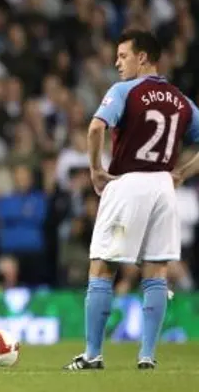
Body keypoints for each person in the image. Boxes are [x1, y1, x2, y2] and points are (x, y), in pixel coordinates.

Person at [63, 30, 199, 371]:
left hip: (128, 183)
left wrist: (95, 169)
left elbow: (96, 128)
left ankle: (93, 354)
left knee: (103, 266)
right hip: (165, 188)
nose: (116, 62)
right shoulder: (182, 101)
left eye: (123, 55)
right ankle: (147, 356)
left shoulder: (125, 91)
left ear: (143, 58)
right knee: (156, 271)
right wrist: (182, 173)